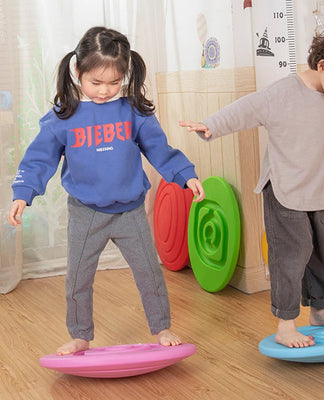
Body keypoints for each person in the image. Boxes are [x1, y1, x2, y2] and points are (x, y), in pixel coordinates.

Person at [180, 27, 324, 348]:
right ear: (322, 66)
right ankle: (286, 323)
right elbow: (247, 109)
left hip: (320, 191)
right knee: (291, 255)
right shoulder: (283, 93)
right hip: (284, 189)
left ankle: (320, 311)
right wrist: (212, 125)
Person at [7, 26, 205, 355]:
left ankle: (162, 327)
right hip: (86, 212)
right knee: (78, 278)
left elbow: (159, 148)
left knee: (148, 272)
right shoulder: (64, 115)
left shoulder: (133, 110)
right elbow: (40, 158)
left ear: (126, 75)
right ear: (77, 71)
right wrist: (22, 194)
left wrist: (184, 174)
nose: (104, 91)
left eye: (114, 83)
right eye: (96, 83)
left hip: (130, 211)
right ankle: (80, 334)